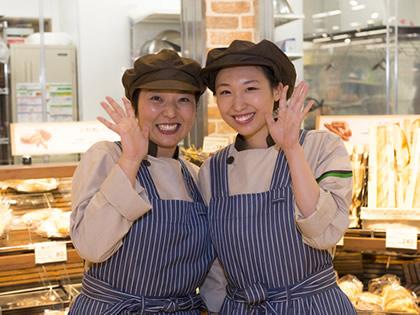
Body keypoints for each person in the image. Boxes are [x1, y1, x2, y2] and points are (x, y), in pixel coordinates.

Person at [198, 40, 356, 314]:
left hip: (312, 306)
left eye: (251, 88)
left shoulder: (321, 147)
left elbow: (324, 234)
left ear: (278, 90)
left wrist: (292, 150)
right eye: (225, 92)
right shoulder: (213, 170)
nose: (237, 104)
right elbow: (214, 266)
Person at [69, 49, 214, 314]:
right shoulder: (108, 156)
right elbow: (91, 246)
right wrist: (131, 160)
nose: (170, 112)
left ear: (194, 110)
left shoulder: (195, 176)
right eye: (156, 99)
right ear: (134, 106)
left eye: (183, 100)